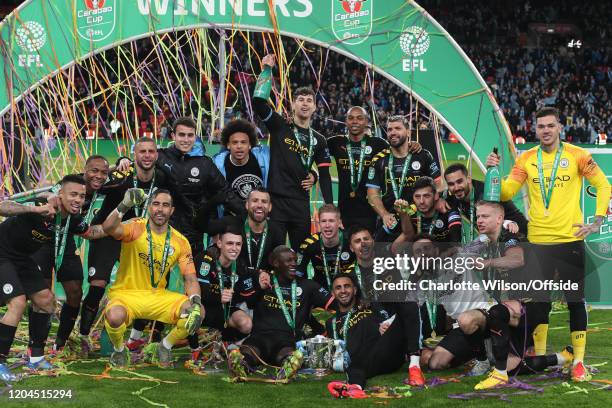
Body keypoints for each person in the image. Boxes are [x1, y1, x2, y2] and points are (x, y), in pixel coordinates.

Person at [486, 106, 611, 381]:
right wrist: (493, 172)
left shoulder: (578, 155)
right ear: (536, 129)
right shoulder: (527, 158)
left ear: (559, 127)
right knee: (539, 302)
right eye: (541, 126)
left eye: (550, 126)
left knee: (575, 301)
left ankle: (578, 362)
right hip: (538, 241)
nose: (545, 130)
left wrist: (598, 220)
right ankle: (539, 355)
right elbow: (507, 191)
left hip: (569, 240)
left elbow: (603, 185)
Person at [0, 175, 105, 378]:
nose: (78, 200)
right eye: (73, 194)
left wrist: (123, 212)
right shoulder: (42, 203)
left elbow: (94, 232)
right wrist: (35, 209)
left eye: (82, 196)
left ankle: (36, 357)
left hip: (21, 258)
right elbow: (3, 206)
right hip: (1, 253)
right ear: (60, 194)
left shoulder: (73, 219)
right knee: (18, 302)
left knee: (46, 300)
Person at [81, 137, 169, 353]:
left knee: (150, 285)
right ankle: (82, 337)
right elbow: (93, 183)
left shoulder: (163, 178)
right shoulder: (121, 175)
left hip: (137, 237)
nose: (147, 155)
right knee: (98, 285)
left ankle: (135, 338)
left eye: (151, 151)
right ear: (134, 155)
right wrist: (117, 163)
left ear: (156, 155)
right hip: (108, 233)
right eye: (142, 152)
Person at [101, 188, 202, 367]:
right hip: (126, 295)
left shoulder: (180, 241)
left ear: (172, 210)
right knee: (115, 316)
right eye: (156, 204)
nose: (160, 209)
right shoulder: (135, 227)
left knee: (197, 312)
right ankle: (119, 350)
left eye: (165, 205)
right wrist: (124, 205)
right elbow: (108, 228)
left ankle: (164, 346)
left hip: (157, 296)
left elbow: (190, 278)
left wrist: (195, 301)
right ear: (149, 207)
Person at [121, 117, 244, 254]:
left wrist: (247, 212)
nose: (186, 140)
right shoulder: (160, 157)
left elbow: (226, 192)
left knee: (191, 275)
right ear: (173, 136)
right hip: (162, 231)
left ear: (195, 136)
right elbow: (140, 163)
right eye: (181, 135)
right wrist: (123, 160)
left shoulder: (205, 164)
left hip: (193, 235)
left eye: (190, 135)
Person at [252, 54, 333, 249]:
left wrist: (328, 205)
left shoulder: (319, 140)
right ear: (294, 104)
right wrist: (266, 70)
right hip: (277, 200)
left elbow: (324, 174)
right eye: (300, 100)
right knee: (274, 252)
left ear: (315, 107)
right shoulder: (280, 126)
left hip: (301, 203)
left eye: (309, 101)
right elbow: (258, 103)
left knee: (302, 252)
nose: (305, 103)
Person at [346, 200, 425, 386]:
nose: (363, 244)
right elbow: (349, 311)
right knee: (359, 365)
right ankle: (355, 387)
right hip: (380, 335)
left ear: (373, 241)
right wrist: (376, 325)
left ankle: (415, 366)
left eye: (366, 239)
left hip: (403, 324)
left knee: (408, 300)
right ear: (351, 248)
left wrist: (404, 213)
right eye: (357, 241)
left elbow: (408, 234)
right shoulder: (349, 277)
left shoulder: (388, 254)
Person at [228, 246, 334, 381]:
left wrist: (359, 300)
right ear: (276, 263)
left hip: (287, 337)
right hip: (260, 335)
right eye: (288, 261)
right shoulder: (264, 281)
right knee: (250, 352)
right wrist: (258, 283)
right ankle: (241, 365)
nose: (294, 264)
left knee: (286, 354)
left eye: (295, 260)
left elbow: (334, 303)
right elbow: (240, 296)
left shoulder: (308, 286)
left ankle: (289, 365)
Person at [325, 272, 420, 389]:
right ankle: (355, 388)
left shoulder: (371, 305)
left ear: (355, 290)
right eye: (338, 288)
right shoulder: (332, 323)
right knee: (355, 365)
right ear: (333, 293)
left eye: (347, 286)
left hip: (386, 348)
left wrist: (386, 324)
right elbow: (338, 351)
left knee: (409, 304)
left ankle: (414, 366)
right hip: (362, 361)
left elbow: (396, 317)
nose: (343, 290)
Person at [367, 116, 442, 242]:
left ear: (408, 132)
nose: (393, 132)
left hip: (420, 221)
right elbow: (372, 193)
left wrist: (433, 201)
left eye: (397, 128)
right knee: (386, 259)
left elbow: (439, 184)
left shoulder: (423, 155)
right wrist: (384, 214)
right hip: (391, 222)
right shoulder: (379, 160)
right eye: (390, 129)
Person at [189, 228, 261, 357]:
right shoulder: (205, 259)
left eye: (238, 244)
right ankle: (195, 348)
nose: (234, 248)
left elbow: (248, 298)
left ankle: (222, 341)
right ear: (219, 243)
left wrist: (260, 286)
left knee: (246, 324)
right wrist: (219, 297)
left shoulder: (240, 265)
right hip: (202, 305)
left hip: (223, 310)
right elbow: (199, 290)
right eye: (230, 243)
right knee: (197, 310)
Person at [327, 106, 389, 232]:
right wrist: (313, 173)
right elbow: (313, 151)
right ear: (346, 121)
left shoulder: (378, 144)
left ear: (366, 122)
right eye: (351, 118)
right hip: (344, 212)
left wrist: (411, 145)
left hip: (371, 212)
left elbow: (399, 152)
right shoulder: (335, 142)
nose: (354, 121)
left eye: (359, 118)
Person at [444, 163, 527, 243]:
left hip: (516, 232)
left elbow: (492, 225)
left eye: (459, 182)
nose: (456, 188)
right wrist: (439, 200)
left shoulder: (485, 195)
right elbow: (435, 195)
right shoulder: (454, 195)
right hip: (496, 236)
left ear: (468, 179)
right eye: (451, 184)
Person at [296, 204, 355, 291]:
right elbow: (298, 273)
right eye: (323, 221)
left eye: (331, 221)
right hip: (320, 291)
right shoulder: (309, 243)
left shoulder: (351, 240)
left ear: (339, 222)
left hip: (347, 290)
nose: (327, 225)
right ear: (319, 223)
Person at [212, 118, 270, 203]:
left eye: (243, 142)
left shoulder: (263, 158)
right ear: (228, 145)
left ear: (250, 145)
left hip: (259, 213)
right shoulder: (218, 165)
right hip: (232, 214)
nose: (239, 146)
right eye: (235, 142)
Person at [410, 176, 462, 248]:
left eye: (426, 196)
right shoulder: (409, 211)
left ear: (436, 196)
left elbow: (456, 242)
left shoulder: (447, 207)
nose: (421, 201)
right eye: (417, 196)